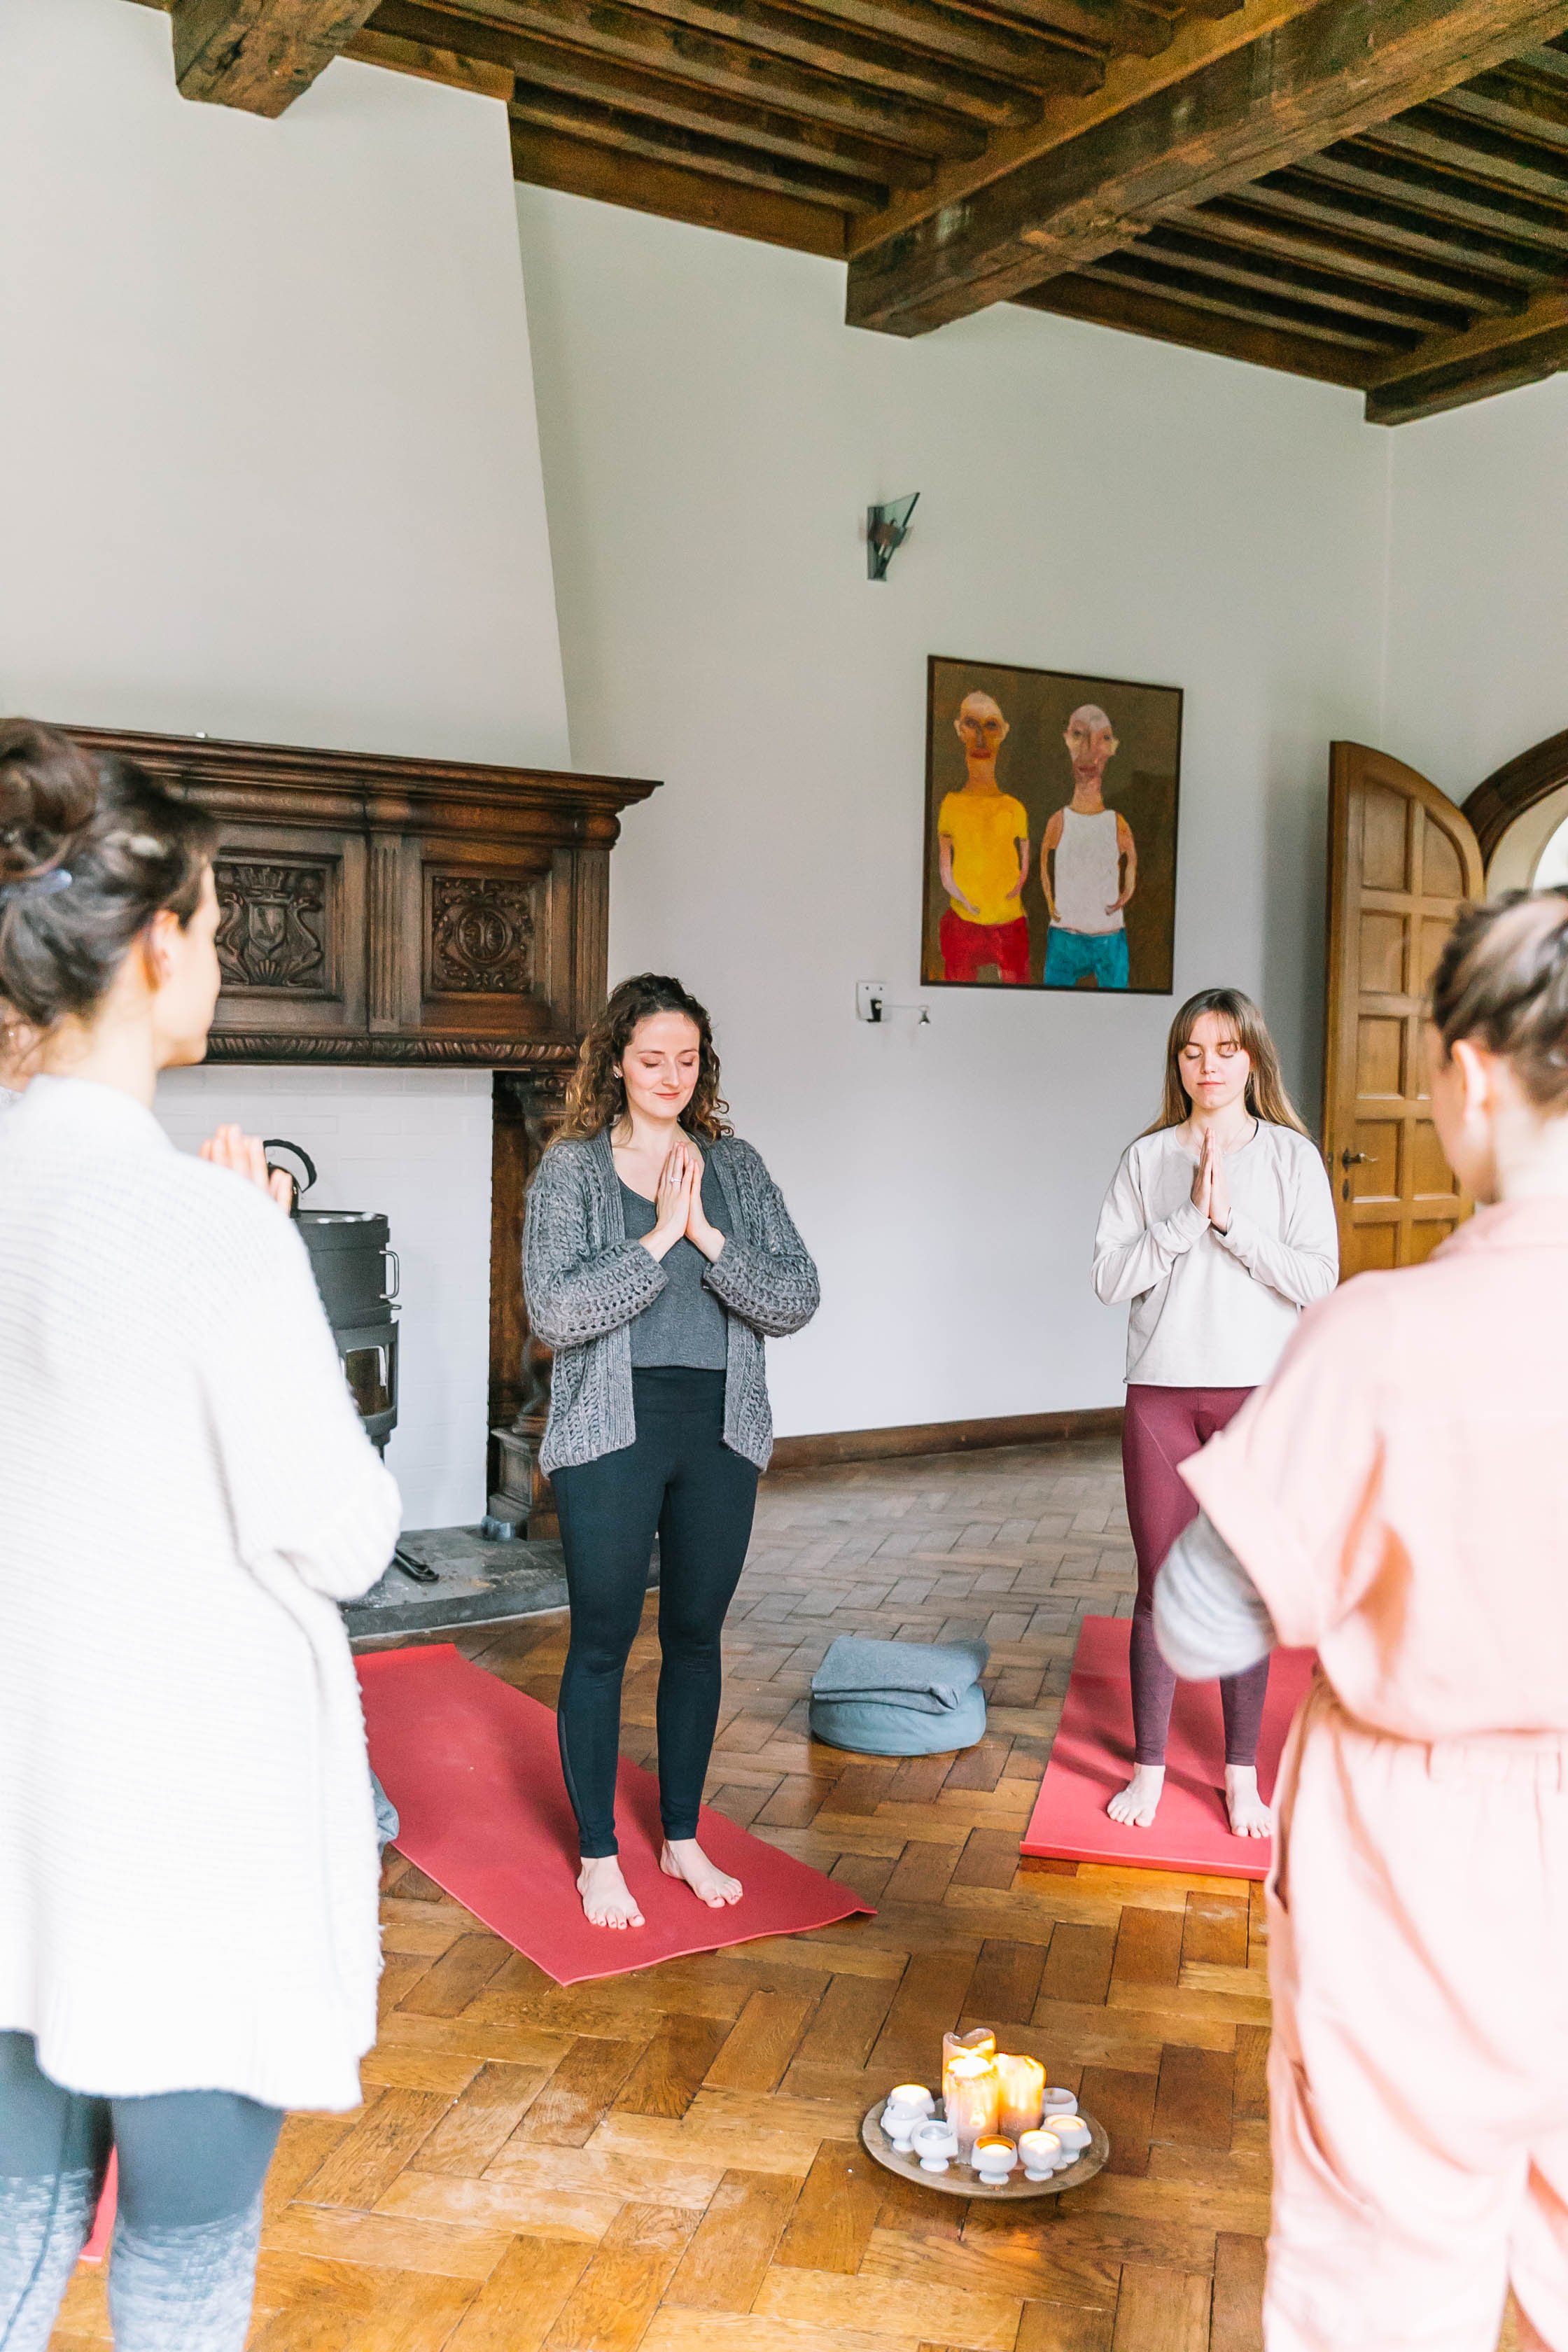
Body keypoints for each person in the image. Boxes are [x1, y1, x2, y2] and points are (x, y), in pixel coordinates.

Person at [0, 721, 401, 2351]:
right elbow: (346, 1534)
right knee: (179, 2273)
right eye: (217, 927)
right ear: (156, 947)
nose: (220, 960)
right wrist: (266, 1254)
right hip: (183, 1831)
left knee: (13, 2253)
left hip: (22, 1814)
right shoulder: (202, 1225)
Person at [1153, 891, 1568, 2352]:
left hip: (1420, 1861)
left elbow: (1200, 1623)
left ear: (1468, 1075)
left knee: (1386, 2287)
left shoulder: (1383, 1335)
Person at [524, 974, 819, 1931]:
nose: (670, 1077)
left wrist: (710, 1240)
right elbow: (555, 1311)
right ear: (616, 1062)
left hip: (720, 1430)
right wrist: (657, 1240)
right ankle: (597, 1852)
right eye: (651, 1059)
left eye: (686, 1060)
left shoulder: (736, 1166)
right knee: (602, 1640)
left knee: (695, 1636)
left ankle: (682, 1835)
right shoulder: (571, 1171)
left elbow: (796, 1296)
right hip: (610, 1433)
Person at [1092, 988, 1337, 1836]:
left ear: (1252, 1059)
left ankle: (1239, 1778)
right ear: (1177, 1062)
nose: (1208, 1066)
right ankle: (1149, 1771)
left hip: (1255, 1397)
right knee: (1159, 1585)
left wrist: (1230, 1225)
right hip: (1159, 1394)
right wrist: (1183, 1220)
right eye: (1192, 1050)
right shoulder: (1145, 1158)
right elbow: (1107, 1279)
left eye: (1225, 1049)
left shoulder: (1290, 1159)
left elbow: (1318, 1281)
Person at [936, 690, 1031, 984]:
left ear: (1004, 732)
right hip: (962, 922)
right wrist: (964, 900)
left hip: (1009, 923)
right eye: (971, 724)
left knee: (1019, 998)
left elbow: (1024, 865)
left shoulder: (1014, 808)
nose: (980, 738)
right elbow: (945, 871)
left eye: (990, 725)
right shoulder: (951, 804)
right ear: (959, 730)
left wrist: (1014, 890)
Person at [1042, 704, 1136, 990]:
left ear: (1112, 748)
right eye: (1079, 735)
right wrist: (1051, 902)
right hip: (1065, 935)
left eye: (1102, 738)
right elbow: (1043, 862)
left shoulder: (1116, 822)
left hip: (1110, 936)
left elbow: (1131, 859)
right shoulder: (1059, 820)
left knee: (1117, 1006)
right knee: (1053, 1005)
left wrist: (1127, 891)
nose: (1089, 750)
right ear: (1067, 740)